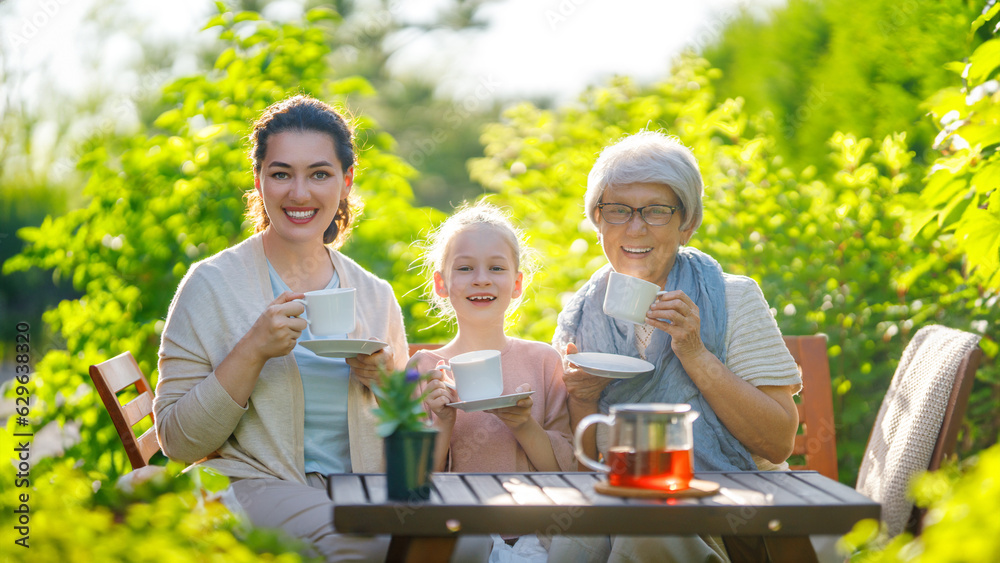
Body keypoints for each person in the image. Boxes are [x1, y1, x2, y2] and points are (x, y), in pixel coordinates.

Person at [154, 95, 406, 562]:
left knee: (467, 541)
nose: (300, 193)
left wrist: (386, 383)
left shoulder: (375, 295)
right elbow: (177, 441)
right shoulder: (211, 285)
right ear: (259, 181)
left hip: (360, 489)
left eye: (320, 174)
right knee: (358, 542)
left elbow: (409, 431)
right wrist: (252, 350)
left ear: (346, 181)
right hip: (254, 485)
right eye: (281, 173)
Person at [549, 130, 802, 563]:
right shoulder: (581, 315)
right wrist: (583, 398)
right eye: (617, 210)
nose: (634, 226)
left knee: (645, 533)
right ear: (597, 220)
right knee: (576, 543)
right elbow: (584, 467)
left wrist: (695, 354)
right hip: (625, 504)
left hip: (733, 513)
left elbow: (778, 442)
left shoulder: (732, 298)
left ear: (687, 224)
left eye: (656, 211)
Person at [409, 201, 575, 561]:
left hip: (538, 533)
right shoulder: (424, 368)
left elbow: (565, 470)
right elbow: (415, 484)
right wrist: (443, 422)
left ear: (516, 284)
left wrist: (524, 425)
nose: (481, 278)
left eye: (496, 268)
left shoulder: (544, 361)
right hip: (457, 533)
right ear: (442, 283)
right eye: (465, 268)